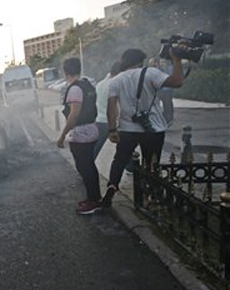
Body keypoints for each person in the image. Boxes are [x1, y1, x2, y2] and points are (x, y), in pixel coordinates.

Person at [102, 48, 185, 207]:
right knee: (151, 164)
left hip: (126, 129)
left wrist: (112, 130)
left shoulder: (116, 80)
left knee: (119, 160)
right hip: (153, 129)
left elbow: (111, 107)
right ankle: (150, 196)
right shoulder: (151, 73)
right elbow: (177, 82)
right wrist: (177, 60)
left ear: (123, 62)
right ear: (140, 61)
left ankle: (112, 187)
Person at [56, 58, 101, 215]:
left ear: (66, 72)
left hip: (82, 133)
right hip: (91, 130)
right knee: (89, 166)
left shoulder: (74, 89)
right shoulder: (87, 84)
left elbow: (74, 115)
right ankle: (94, 197)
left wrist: (62, 136)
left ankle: (93, 202)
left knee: (85, 168)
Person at [93, 62, 120, 159]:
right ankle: (130, 168)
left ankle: (87, 167)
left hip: (100, 120)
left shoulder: (100, 84)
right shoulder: (116, 85)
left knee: (95, 148)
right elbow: (116, 106)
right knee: (124, 147)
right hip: (113, 121)